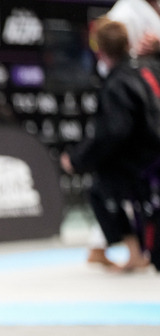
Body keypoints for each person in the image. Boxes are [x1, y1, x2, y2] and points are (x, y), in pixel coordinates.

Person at [61, 20, 160, 271]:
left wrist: (77, 159)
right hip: (149, 157)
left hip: (146, 164)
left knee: (101, 186)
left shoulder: (117, 84)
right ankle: (135, 251)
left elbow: (112, 134)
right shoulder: (150, 69)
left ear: (99, 51)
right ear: (128, 44)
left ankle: (135, 252)